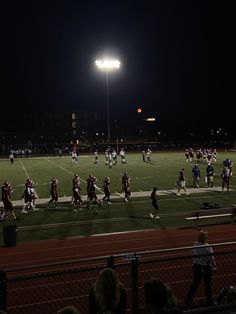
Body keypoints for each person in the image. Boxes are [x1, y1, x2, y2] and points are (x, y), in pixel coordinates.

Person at [185, 231, 216, 308]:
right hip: (206, 267)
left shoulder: (195, 244)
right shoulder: (208, 246)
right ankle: (209, 301)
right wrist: (214, 267)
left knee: (195, 284)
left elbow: (192, 252)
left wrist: (195, 260)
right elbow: (211, 258)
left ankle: (188, 301)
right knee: (207, 285)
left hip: (196, 266)